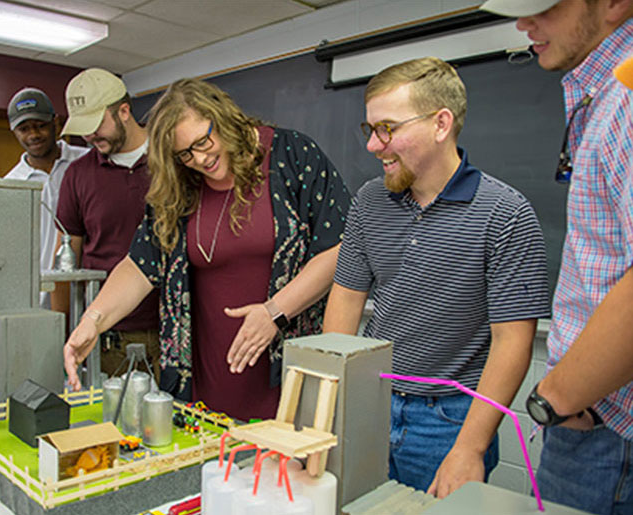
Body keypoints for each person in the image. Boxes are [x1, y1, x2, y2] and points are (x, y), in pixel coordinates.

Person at [322, 57, 551, 497]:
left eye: (387, 128)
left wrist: (470, 446)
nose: (373, 145)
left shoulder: (505, 213)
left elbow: (513, 340)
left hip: (449, 421)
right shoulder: (370, 200)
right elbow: (347, 299)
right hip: (370, 402)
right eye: (370, 129)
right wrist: (332, 401)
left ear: (441, 123)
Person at [63, 78, 351, 421]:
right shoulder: (181, 185)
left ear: (224, 116)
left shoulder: (292, 155)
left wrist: (276, 311)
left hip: (286, 375)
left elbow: (341, 248)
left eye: (203, 141)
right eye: (185, 153)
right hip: (205, 380)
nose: (200, 158)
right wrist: (93, 321)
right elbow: (140, 265)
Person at [480, 1, 633, 513]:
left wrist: (555, 399)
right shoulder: (603, 95)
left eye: (543, 7)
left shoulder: (628, 99)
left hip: (606, 431)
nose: (524, 24)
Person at [55, 68, 161, 380]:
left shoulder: (173, 161)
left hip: (176, 328)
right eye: (83, 129)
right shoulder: (77, 174)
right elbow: (66, 258)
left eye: (96, 125)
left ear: (124, 111)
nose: (89, 136)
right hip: (110, 335)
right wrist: (62, 328)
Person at [4, 87, 89, 309]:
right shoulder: (11, 184)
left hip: (90, 288)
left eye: (40, 126)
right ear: (14, 132)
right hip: (36, 297)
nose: (33, 135)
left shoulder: (88, 163)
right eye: (24, 129)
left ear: (56, 123)